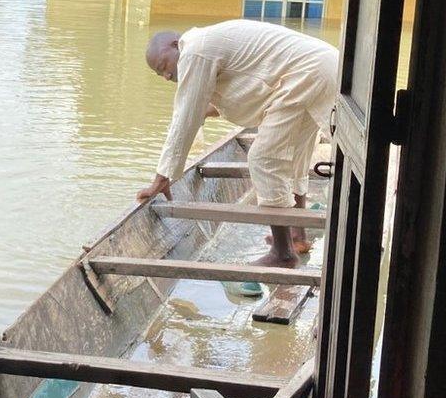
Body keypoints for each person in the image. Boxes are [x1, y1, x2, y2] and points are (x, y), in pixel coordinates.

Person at [137, 19, 338, 267]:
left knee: (263, 159)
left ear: (175, 44)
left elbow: (184, 118)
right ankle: (297, 235)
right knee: (296, 153)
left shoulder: (194, 50)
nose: (167, 75)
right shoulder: (209, 43)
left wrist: (164, 174)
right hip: (322, 65)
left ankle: (283, 253)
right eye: (161, 75)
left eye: (163, 65)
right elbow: (246, 90)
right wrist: (205, 112)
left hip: (307, 72)